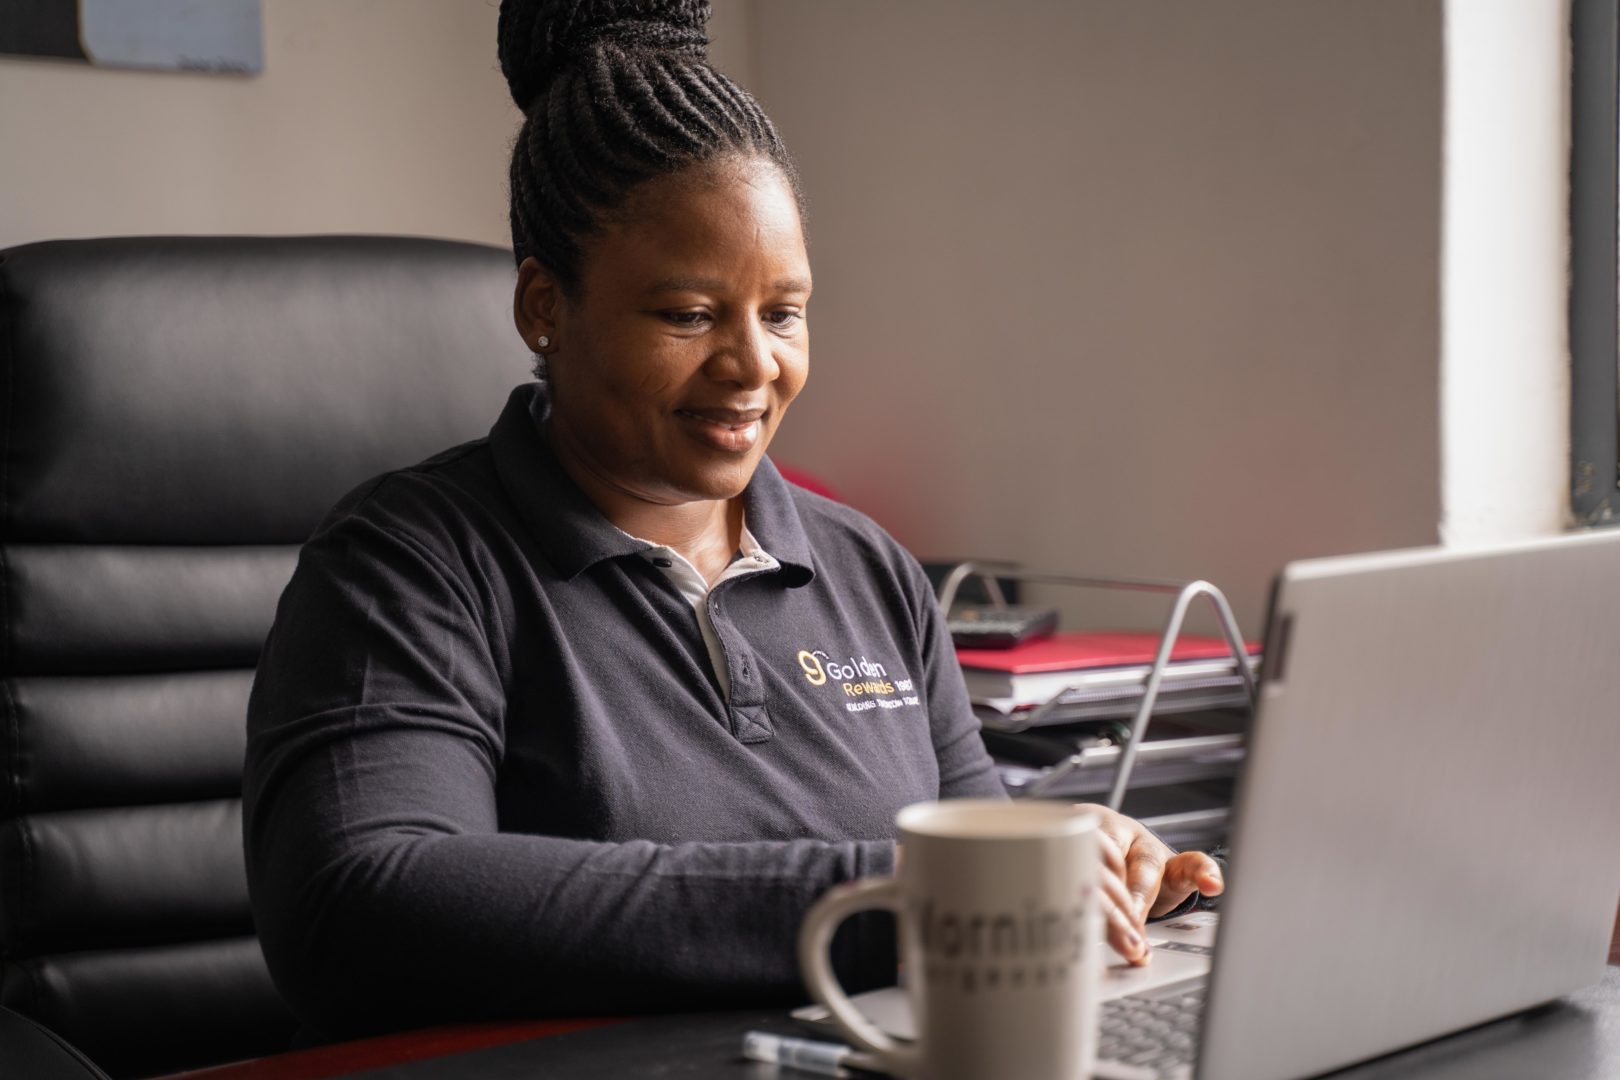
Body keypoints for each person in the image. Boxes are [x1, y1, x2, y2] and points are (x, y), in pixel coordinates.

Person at [242, 0, 1223, 1039]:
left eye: (784, 311)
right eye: (689, 314)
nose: (755, 365)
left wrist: (1083, 868)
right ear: (544, 306)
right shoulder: (409, 566)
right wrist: (900, 900)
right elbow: (359, 905)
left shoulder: (871, 572)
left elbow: (973, 840)